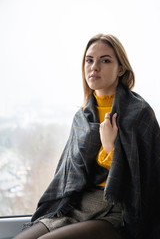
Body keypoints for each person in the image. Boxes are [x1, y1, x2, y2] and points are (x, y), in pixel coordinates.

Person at [13, 34, 160, 239]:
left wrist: (110, 149)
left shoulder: (140, 114)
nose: (94, 67)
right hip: (78, 203)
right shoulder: (81, 117)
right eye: (89, 60)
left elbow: (146, 179)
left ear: (121, 69)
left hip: (119, 210)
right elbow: (70, 176)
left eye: (105, 60)